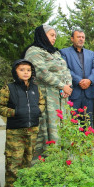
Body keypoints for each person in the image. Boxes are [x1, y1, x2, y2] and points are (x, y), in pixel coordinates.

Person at [0, 59, 45, 187]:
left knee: (28, 163)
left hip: (32, 130)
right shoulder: (8, 88)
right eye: (22, 70)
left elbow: (42, 103)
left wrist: (38, 111)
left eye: (28, 70)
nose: (25, 72)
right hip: (15, 131)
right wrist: (14, 112)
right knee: (13, 164)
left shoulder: (35, 88)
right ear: (15, 72)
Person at [24, 25, 72, 158]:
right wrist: (62, 86)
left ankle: (64, 156)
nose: (54, 38)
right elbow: (41, 73)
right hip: (47, 97)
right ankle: (50, 158)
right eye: (51, 35)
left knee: (63, 126)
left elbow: (66, 70)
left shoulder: (55, 52)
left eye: (55, 36)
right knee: (50, 127)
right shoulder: (34, 51)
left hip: (62, 97)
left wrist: (68, 85)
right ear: (43, 35)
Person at [60, 29, 94, 123]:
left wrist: (89, 80)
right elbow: (65, 69)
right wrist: (79, 80)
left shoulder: (91, 53)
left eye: (83, 37)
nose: (81, 39)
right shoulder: (64, 52)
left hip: (88, 93)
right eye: (78, 37)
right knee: (73, 122)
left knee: (88, 122)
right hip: (74, 93)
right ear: (72, 39)